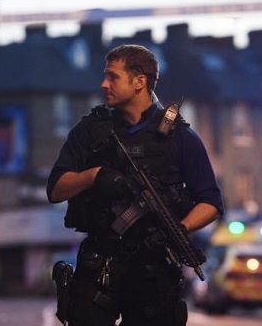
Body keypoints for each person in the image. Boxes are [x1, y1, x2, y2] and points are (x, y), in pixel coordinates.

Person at [47, 44, 224, 326]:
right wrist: (95, 176)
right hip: (101, 260)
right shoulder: (90, 131)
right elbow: (56, 188)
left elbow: (211, 202)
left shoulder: (180, 138)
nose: (104, 84)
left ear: (139, 81)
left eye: (113, 77)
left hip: (154, 265)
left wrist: (179, 229)